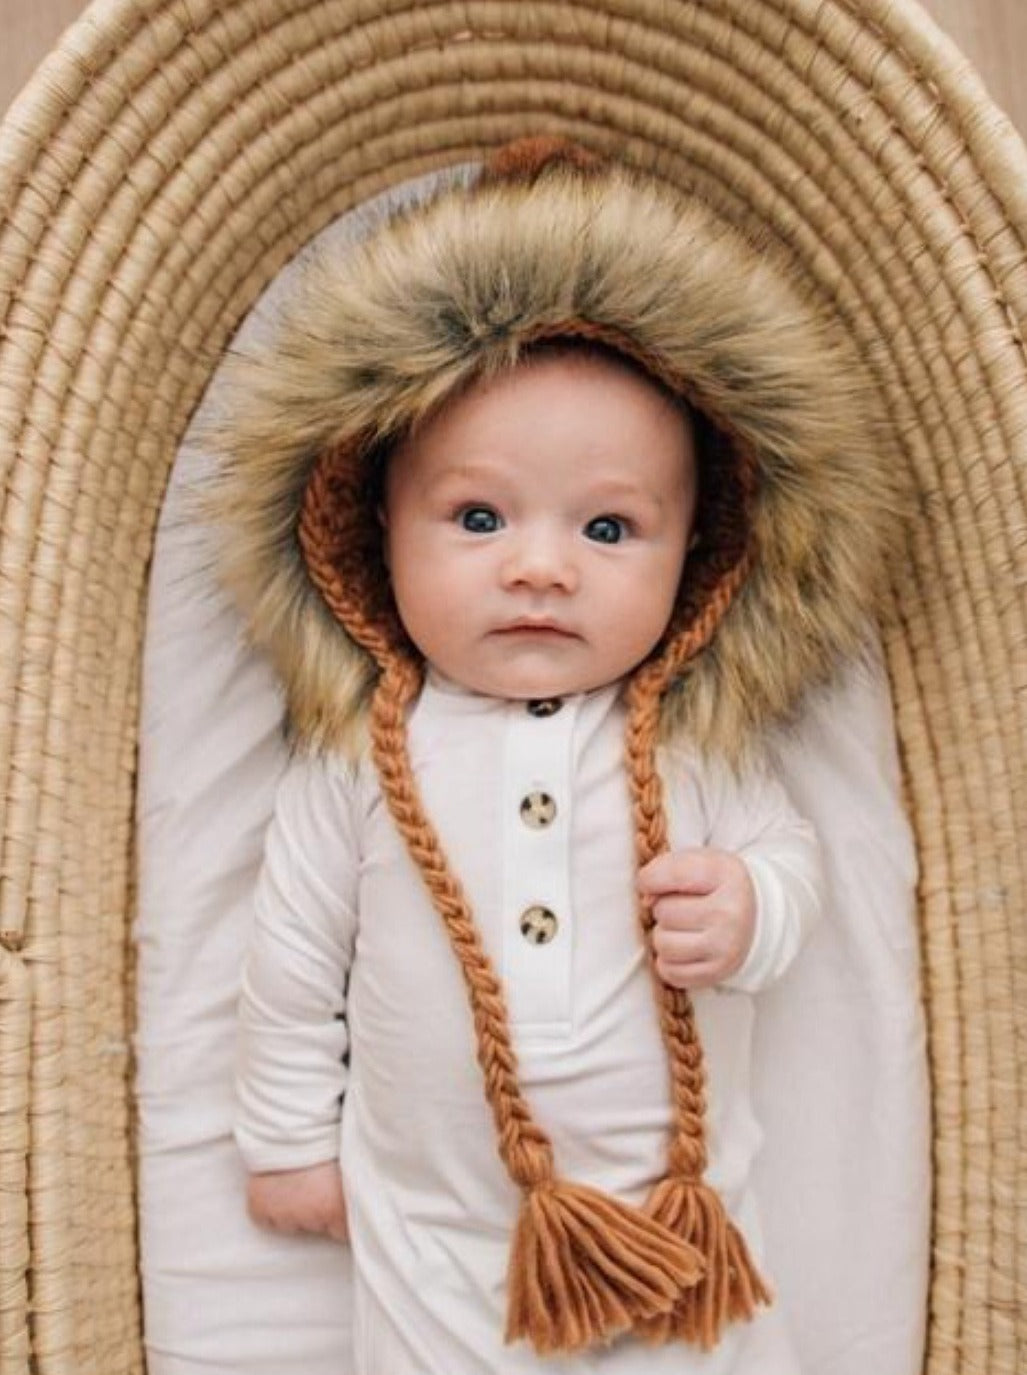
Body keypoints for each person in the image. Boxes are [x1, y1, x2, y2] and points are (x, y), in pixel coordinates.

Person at [212, 139, 898, 1374]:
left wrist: (750, 909)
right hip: (437, 1231)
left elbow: (792, 858)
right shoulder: (363, 761)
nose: (540, 566)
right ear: (376, 534)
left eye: (608, 526)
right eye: (477, 518)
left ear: (696, 555)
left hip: (678, 1227)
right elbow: (292, 963)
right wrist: (285, 1143)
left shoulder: (695, 738)